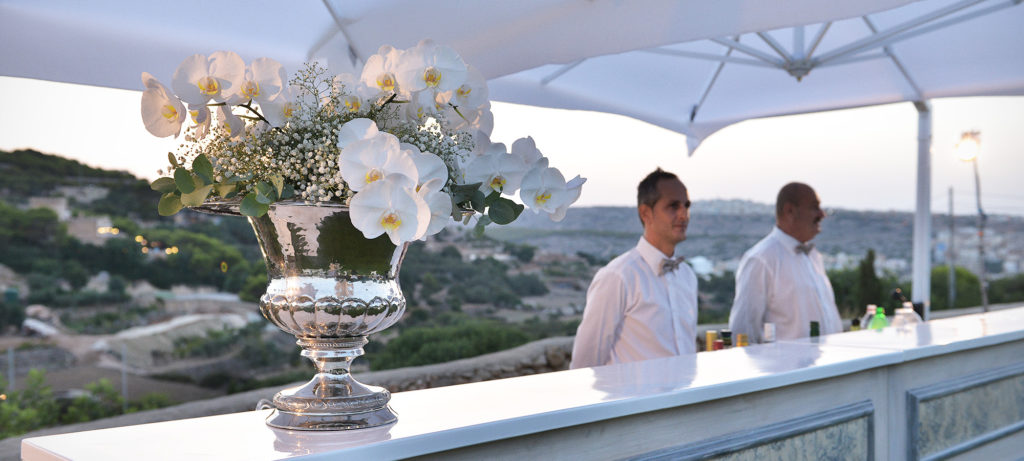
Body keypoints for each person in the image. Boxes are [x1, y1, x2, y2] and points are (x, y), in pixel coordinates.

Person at [570, 168, 698, 369]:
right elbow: (585, 364)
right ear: (646, 213)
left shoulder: (688, 276)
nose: (684, 214)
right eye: (673, 206)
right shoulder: (618, 277)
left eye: (686, 205)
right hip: (637, 399)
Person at [728, 182, 842, 343]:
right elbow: (742, 330)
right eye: (814, 207)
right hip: (785, 368)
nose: (822, 214)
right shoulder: (762, 259)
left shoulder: (814, 256)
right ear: (790, 211)